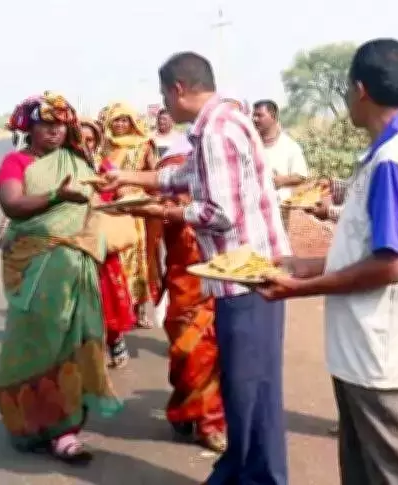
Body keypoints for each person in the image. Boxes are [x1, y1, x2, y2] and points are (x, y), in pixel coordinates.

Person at [258, 39, 398, 485]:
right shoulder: (394, 151)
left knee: (393, 475)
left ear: (360, 90)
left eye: (346, 91)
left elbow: (389, 265)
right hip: (370, 353)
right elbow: (374, 248)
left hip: (383, 356)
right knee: (362, 472)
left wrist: (300, 289)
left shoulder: (396, 161)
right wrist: (309, 264)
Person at [98, 51, 291, 485]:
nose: (163, 106)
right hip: (236, 277)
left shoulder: (218, 130)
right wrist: (130, 182)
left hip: (246, 280)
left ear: (178, 89)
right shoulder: (218, 124)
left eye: (164, 95)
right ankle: (237, 472)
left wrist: (161, 213)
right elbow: (184, 177)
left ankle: (261, 477)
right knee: (243, 391)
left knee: (253, 392)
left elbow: (217, 211)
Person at [0, 92, 122, 464]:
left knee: (72, 343)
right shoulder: (15, 162)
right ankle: (31, 423)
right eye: (45, 124)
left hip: (75, 266)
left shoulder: (79, 162)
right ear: (30, 128)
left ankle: (65, 431)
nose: (54, 131)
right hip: (33, 268)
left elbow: (100, 201)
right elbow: (12, 205)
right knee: (35, 343)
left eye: (60, 124)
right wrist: (55, 195)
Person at [140, 138, 228, 453]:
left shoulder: (222, 182)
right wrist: (149, 282)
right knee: (186, 352)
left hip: (222, 276)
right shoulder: (167, 186)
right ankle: (183, 407)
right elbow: (149, 242)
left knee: (211, 353)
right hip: (183, 281)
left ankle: (211, 422)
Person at [80, 118, 137, 368]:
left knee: (108, 295)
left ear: (97, 141)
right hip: (73, 244)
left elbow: (121, 192)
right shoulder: (61, 169)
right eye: (79, 138)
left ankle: (115, 340)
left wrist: (122, 196)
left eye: (90, 139)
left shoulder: (105, 167)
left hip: (102, 245)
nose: (84, 144)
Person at [99, 102, 161, 329]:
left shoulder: (144, 145)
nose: (120, 124)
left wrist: (139, 191)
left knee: (141, 261)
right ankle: (119, 309)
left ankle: (141, 309)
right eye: (116, 120)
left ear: (132, 122)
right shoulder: (103, 146)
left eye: (125, 120)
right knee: (117, 261)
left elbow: (155, 175)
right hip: (112, 210)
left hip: (137, 210)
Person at [251, 99, 309, 202]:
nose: (255, 119)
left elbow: (301, 176)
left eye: (259, 115)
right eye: (254, 115)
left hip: (281, 207)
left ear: (273, 117)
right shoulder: (249, 146)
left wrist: (280, 181)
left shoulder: (290, 146)